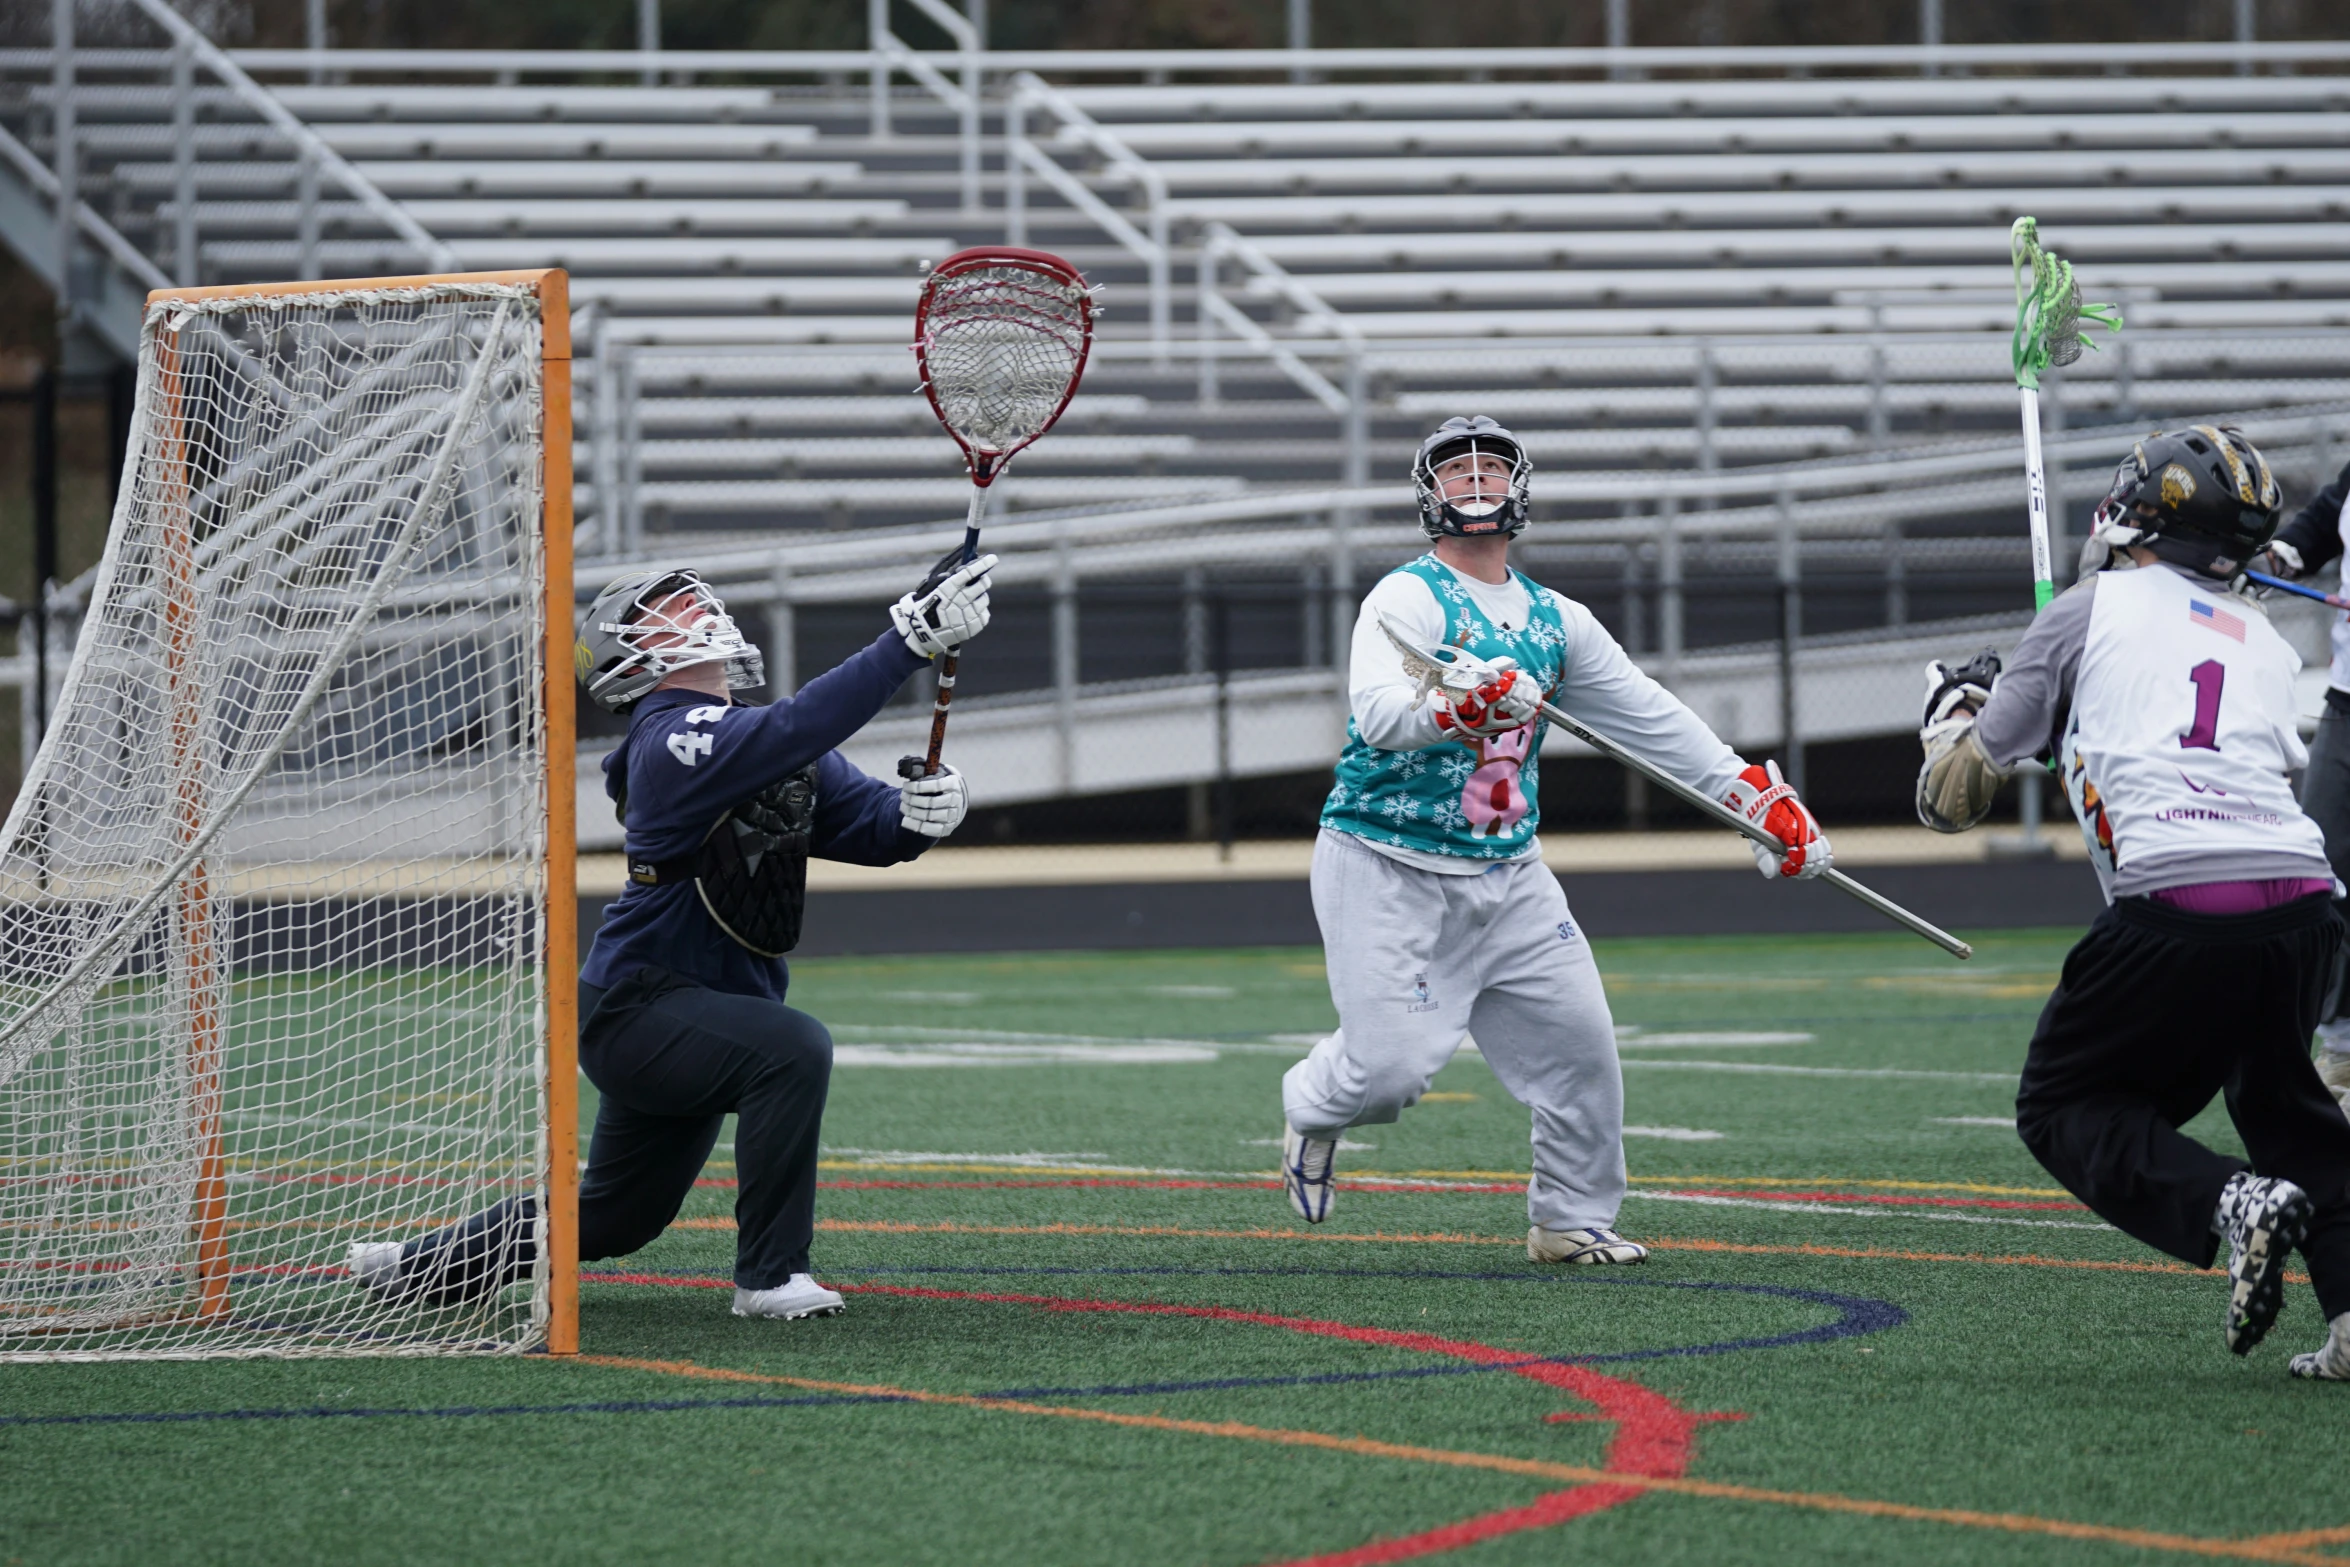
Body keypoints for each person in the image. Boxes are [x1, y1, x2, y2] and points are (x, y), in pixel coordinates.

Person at [348, 554, 992, 1322]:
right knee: (792, 1048)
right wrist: (905, 641)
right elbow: (800, 724)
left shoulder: (766, 740)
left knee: (618, 1217)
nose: (697, 607)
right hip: (639, 1006)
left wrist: (924, 814)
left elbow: (875, 827)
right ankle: (771, 1275)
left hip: (708, 1010)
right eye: (666, 609)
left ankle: (422, 1266)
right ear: (630, 660)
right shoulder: (669, 736)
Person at [1279, 415, 1834, 1264]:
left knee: (1584, 1052)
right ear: (1428, 495)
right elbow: (1380, 715)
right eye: (1455, 471)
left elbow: (1651, 720)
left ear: (1519, 489)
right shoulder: (1406, 596)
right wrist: (1454, 707)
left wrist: (1752, 796)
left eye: (1490, 470)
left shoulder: (1555, 618)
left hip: (1510, 872)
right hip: (1383, 860)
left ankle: (1569, 1217)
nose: (1474, 483)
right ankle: (1314, 1106)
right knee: (1386, 1075)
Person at [1916, 425, 2350, 1376]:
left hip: (2180, 899)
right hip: (2310, 902)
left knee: (2064, 1103)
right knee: (2283, 1098)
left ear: (2139, 511)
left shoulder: (2084, 610)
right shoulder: (2263, 639)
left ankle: (2231, 1204)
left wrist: (1953, 707)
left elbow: (1952, 798)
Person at [2244, 456, 2350, 1110]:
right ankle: (2340, 1047)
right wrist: (2281, 557)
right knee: (2324, 867)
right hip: (2347, 699)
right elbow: (2321, 521)